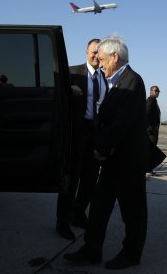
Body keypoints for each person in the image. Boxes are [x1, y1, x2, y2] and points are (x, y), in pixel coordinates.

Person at [63, 36, 148, 270]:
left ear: (115, 57)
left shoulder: (132, 81)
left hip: (128, 162)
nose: (100, 65)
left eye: (102, 60)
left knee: (133, 212)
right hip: (113, 160)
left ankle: (131, 254)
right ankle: (91, 249)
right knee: (99, 207)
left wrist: (100, 149)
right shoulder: (116, 81)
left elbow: (121, 123)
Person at [56, 38, 108, 240]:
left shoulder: (105, 77)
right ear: (86, 52)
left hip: (96, 133)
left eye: (99, 53)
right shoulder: (71, 72)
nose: (96, 56)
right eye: (93, 52)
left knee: (89, 179)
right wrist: (67, 91)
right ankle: (62, 221)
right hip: (77, 133)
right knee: (71, 179)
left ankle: (79, 214)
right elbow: (54, 94)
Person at [146, 85, 161, 176]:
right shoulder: (150, 100)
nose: (157, 92)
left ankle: (148, 168)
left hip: (153, 131)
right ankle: (148, 169)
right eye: (156, 91)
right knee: (150, 151)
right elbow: (145, 114)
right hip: (150, 132)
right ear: (151, 91)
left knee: (151, 150)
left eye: (158, 91)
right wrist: (148, 129)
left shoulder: (154, 101)